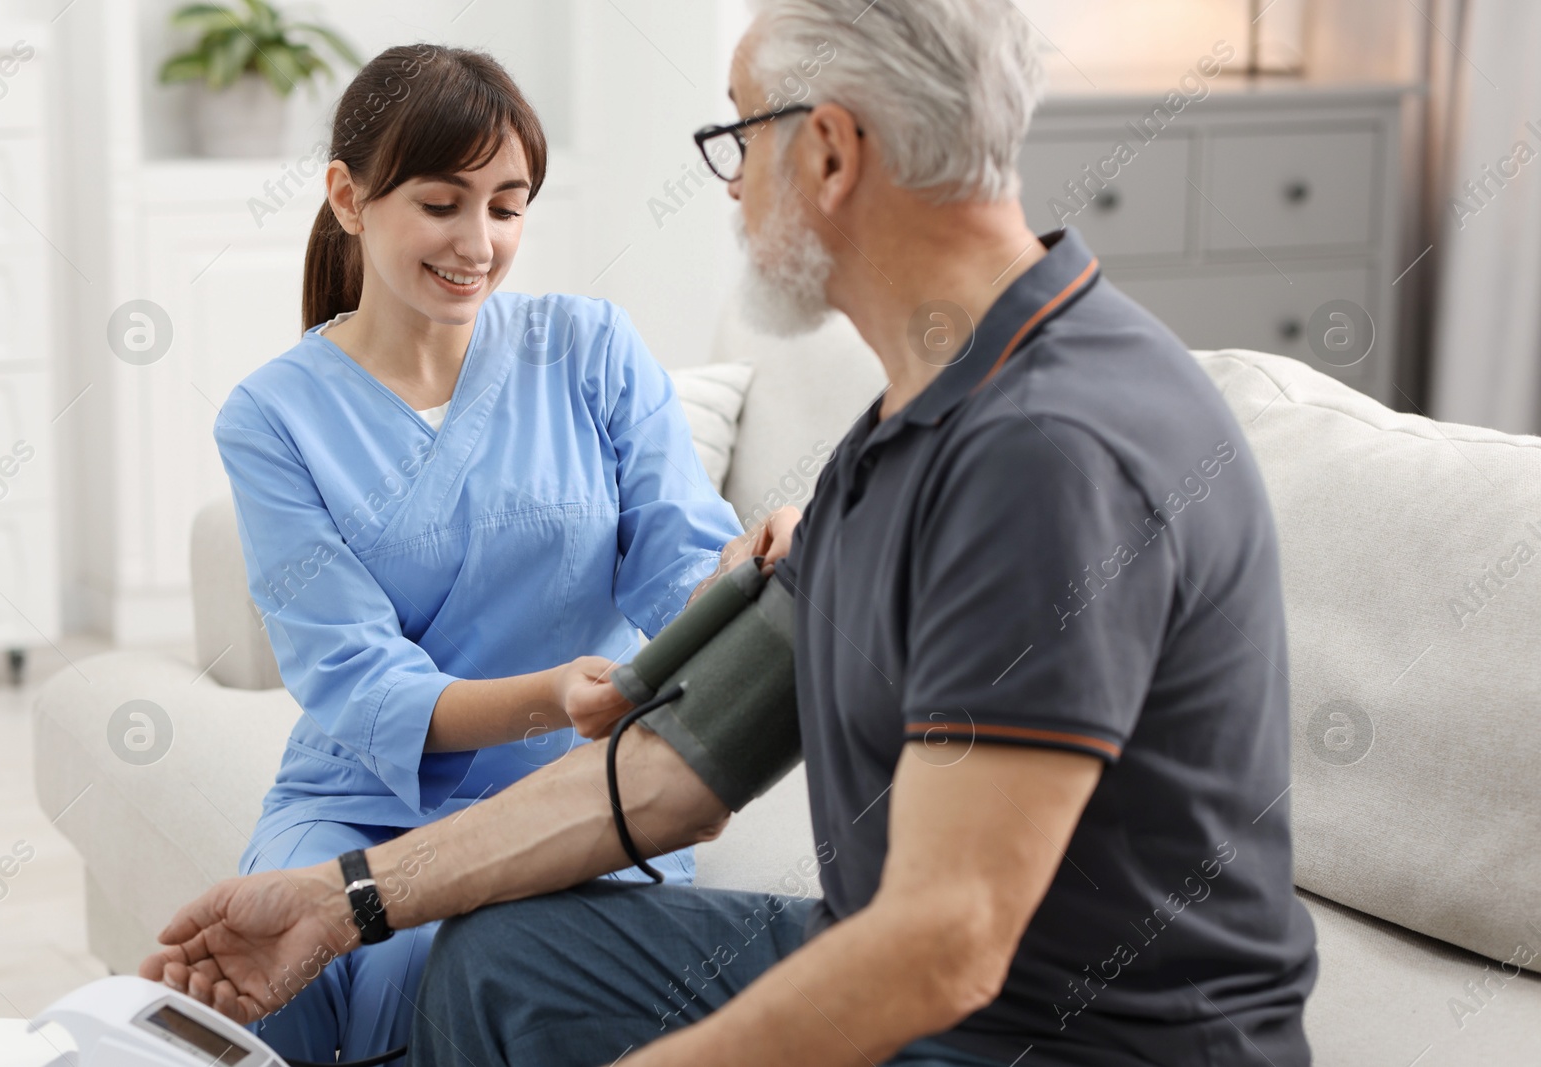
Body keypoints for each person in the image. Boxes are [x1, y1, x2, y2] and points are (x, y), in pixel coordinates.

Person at [143, 3, 1319, 1065]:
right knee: (498, 967)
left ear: (827, 151)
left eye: (737, 139)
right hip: (936, 973)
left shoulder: (1047, 450)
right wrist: (346, 897)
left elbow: (945, 945)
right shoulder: (902, 429)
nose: (727, 184)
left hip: (1060, 1036)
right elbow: (670, 776)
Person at [203, 43, 793, 1066]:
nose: (478, 241)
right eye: (442, 203)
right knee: (261, 980)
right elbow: (352, 674)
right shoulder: (271, 415)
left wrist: (755, 567)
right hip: (358, 793)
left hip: (579, 790)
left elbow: (679, 562)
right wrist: (550, 689)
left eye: (508, 206)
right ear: (348, 197)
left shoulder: (591, 348)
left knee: (438, 968)